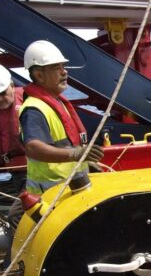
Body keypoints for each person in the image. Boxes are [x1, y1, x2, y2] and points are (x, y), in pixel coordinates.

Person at [19, 40, 104, 195]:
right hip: (49, 196)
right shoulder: (34, 109)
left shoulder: (57, 103)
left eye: (63, 67)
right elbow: (33, 148)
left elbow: (67, 144)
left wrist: (85, 162)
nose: (64, 72)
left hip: (68, 191)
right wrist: (76, 154)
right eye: (56, 68)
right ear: (39, 75)